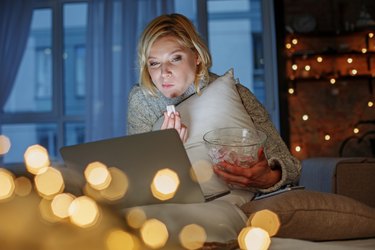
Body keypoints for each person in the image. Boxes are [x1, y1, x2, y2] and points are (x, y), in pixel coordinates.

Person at [127, 13, 301, 193]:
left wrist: (268, 178)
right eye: (154, 63)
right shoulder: (142, 101)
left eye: (175, 58)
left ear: (197, 57)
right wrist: (164, 151)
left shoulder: (237, 94)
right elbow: (135, 174)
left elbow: (291, 166)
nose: (164, 72)